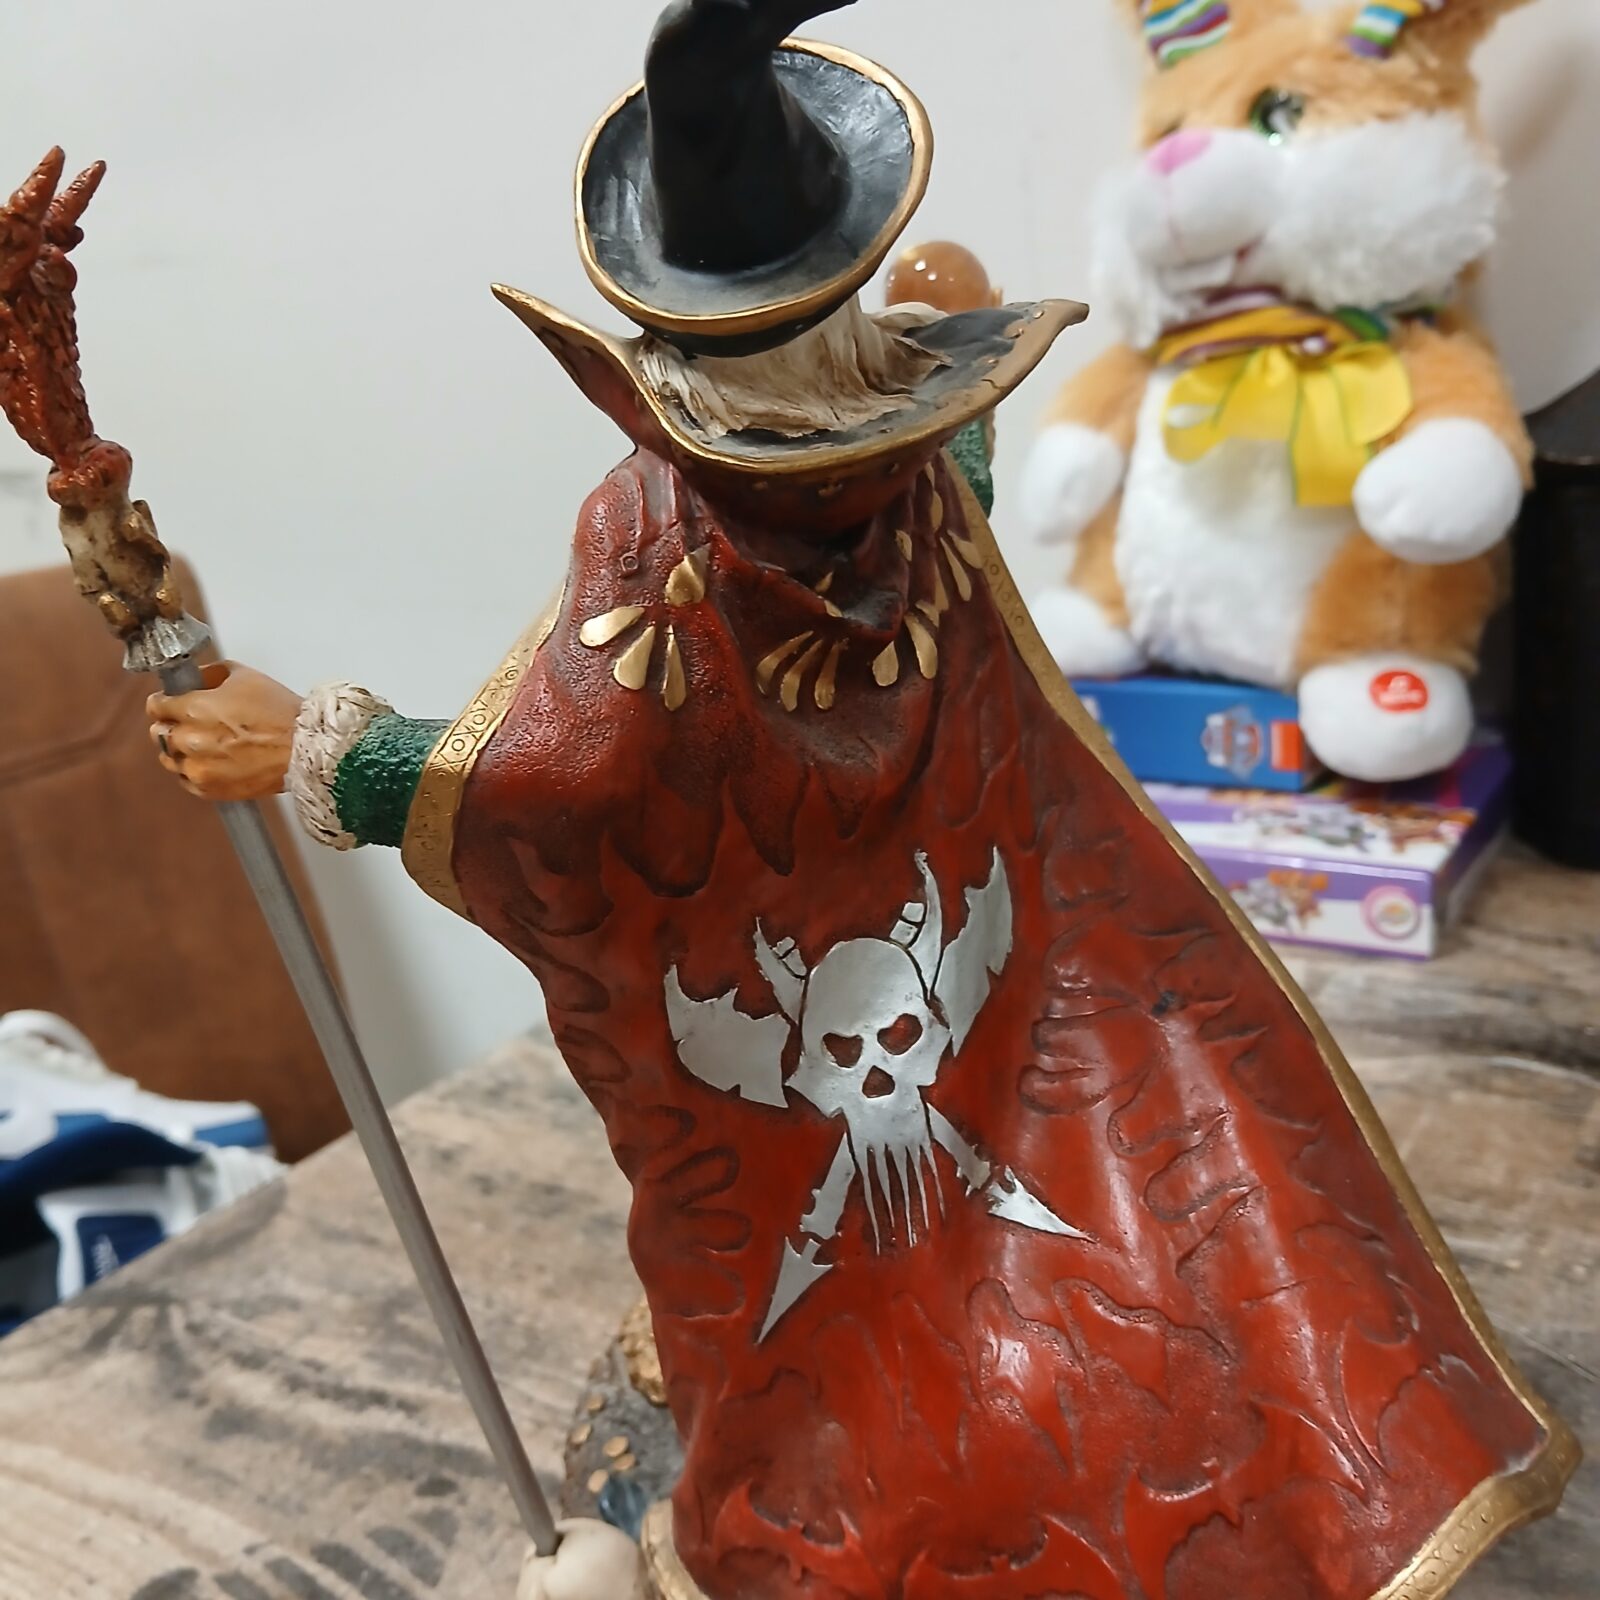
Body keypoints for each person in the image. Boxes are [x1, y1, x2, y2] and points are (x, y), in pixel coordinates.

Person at [145, 2, 1575, 1597]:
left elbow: (557, 786)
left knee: (903, 1304)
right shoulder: (890, 474)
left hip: (962, 1011)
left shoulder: (668, 530)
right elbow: (700, 689)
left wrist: (325, 753)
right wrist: (948, 355)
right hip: (904, 1025)